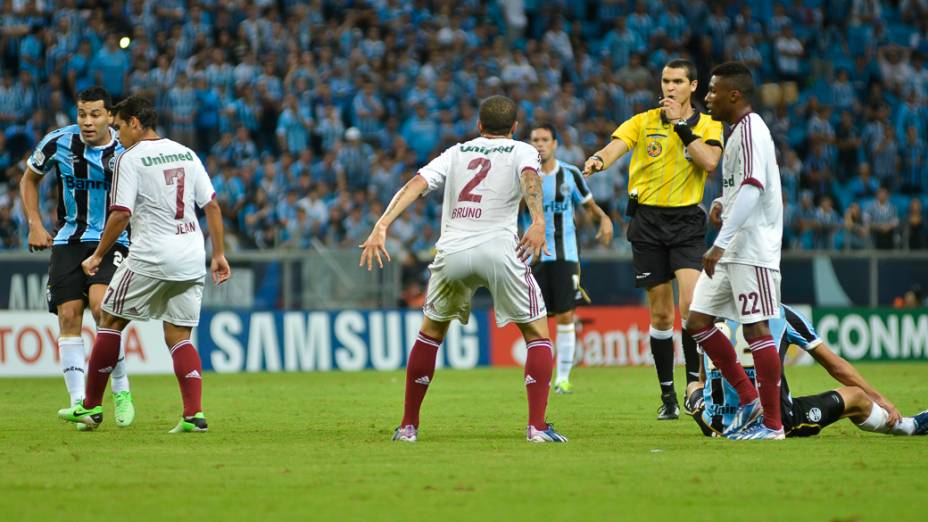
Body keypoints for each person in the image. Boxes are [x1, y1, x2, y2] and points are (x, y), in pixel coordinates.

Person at [359, 95, 567, 443]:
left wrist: (382, 224)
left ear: (479, 126)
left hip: (453, 251)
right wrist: (539, 221)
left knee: (431, 334)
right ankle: (537, 427)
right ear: (515, 128)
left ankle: (408, 426)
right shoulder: (522, 151)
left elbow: (416, 185)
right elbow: (531, 180)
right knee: (537, 336)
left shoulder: (456, 152)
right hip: (501, 250)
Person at [57, 95, 231, 433]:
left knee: (109, 320)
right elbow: (211, 206)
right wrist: (219, 254)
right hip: (191, 255)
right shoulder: (186, 153)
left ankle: (90, 408)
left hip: (151, 255)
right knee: (179, 335)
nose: (117, 134)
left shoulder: (130, 158)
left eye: (119, 126)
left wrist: (97, 255)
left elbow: (121, 213)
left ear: (136, 123)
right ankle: (193, 415)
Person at [583, 59, 723, 420]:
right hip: (647, 222)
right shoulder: (643, 121)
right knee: (661, 314)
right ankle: (668, 396)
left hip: (687, 222)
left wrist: (680, 126)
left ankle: (695, 387)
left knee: (691, 307)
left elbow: (709, 162)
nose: (669, 87)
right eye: (665, 81)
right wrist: (598, 159)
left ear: (693, 86)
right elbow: (616, 146)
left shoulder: (708, 125)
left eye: (678, 81)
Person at [19, 86, 135, 430]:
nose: (87, 122)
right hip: (68, 240)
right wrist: (35, 224)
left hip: (114, 240)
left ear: (110, 116)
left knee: (102, 309)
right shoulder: (58, 142)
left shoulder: (126, 149)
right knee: (69, 315)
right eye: (82, 114)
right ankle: (80, 404)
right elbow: (29, 179)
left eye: (95, 114)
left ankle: (121, 389)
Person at [685, 62, 785, 440]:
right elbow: (740, 189)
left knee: (756, 327)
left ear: (734, 94)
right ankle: (748, 398)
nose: (706, 97)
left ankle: (772, 426)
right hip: (733, 248)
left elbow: (754, 189)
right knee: (698, 321)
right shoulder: (736, 133)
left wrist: (719, 243)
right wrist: (722, 204)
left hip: (751, 248)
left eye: (712, 90)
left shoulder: (751, 130)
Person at [685, 305, 928, 438]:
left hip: (715, 423)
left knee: (692, 386)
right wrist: (880, 398)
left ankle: (708, 412)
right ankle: (907, 426)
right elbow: (834, 365)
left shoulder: (705, 318)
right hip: (772, 419)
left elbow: (703, 377)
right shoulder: (780, 313)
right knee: (857, 397)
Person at [526, 123, 613, 394]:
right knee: (534, 319)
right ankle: (539, 375)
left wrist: (605, 219)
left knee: (565, 316)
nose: (539, 144)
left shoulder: (570, 174)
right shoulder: (524, 176)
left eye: (544, 139)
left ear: (554, 144)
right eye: (535, 140)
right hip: (532, 257)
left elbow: (589, 205)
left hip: (565, 255)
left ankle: (562, 378)